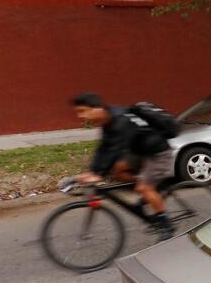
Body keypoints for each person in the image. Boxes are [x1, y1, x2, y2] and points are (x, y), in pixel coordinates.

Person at [72, 92, 175, 239]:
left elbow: (116, 149)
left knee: (144, 187)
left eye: (82, 111)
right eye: (78, 112)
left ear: (98, 108)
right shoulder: (108, 121)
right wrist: (92, 171)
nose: (80, 116)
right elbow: (104, 148)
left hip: (158, 152)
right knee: (118, 171)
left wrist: (98, 175)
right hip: (139, 151)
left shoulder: (120, 120)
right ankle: (149, 189)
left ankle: (166, 225)